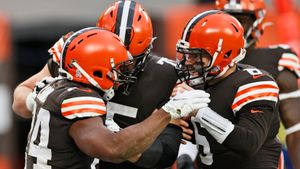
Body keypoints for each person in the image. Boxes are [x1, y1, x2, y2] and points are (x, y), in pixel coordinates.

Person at [13, 1, 198, 168]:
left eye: (129, 62)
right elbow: (114, 148)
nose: (121, 72)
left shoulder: (168, 75)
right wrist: (162, 118)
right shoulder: (75, 63)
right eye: (113, 61)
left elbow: (167, 152)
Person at [174, 10, 281, 168]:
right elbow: (192, 134)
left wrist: (199, 110)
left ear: (226, 54)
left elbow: (249, 143)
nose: (189, 62)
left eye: (196, 56)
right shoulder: (193, 81)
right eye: (187, 54)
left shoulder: (254, 84)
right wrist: (184, 152)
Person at [215, 1, 300, 168]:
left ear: (257, 22)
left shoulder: (275, 61)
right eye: (228, 18)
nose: (234, 26)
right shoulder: (200, 61)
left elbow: (295, 129)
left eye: (241, 20)